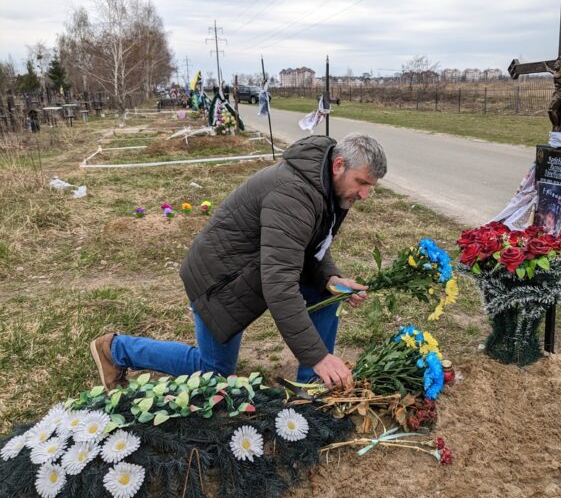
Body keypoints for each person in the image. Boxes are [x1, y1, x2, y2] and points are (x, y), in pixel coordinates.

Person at [90, 133, 387, 391]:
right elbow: (279, 284)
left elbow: (312, 245)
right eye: (361, 182)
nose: (365, 194)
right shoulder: (293, 193)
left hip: (250, 270)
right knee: (214, 372)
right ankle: (115, 350)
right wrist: (318, 356)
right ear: (338, 166)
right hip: (219, 280)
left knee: (326, 294)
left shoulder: (324, 187)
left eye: (370, 186)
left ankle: (311, 388)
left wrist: (330, 279)